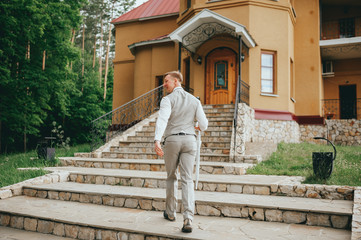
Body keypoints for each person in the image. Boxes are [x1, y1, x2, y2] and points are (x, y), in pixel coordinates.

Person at [154, 71, 208, 233]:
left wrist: (157, 139)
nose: (164, 84)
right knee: (188, 179)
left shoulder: (167, 100)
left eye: (166, 81)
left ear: (176, 81)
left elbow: (162, 119)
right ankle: (188, 218)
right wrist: (198, 127)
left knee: (171, 177)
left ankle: (170, 213)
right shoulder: (194, 100)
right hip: (190, 141)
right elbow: (204, 123)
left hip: (172, 141)